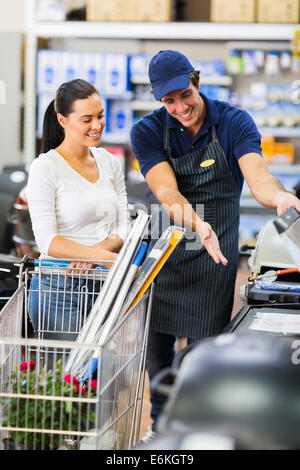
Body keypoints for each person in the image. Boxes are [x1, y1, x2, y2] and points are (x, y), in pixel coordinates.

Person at [130, 50, 300, 439]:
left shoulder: (233, 121)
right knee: (158, 359)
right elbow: (166, 193)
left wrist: (280, 198)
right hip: (169, 246)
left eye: (184, 95)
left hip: (215, 254)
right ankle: (161, 432)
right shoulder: (148, 131)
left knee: (203, 357)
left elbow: (258, 177)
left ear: (197, 81)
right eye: (168, 101)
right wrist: (196, 224)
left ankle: (196, 433)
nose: (179, 107)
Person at [27, 79, 130, 341]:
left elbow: (123, 227)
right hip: (57, 289)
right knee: (69, 379)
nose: (97, 126)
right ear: (62, 120)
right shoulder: (45, 167)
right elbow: (48, 241)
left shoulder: (108, 162)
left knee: (101, 378)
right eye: (87, 119)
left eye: (100, 116)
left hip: (103, 285)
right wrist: (108, 258)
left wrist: (95, 256)